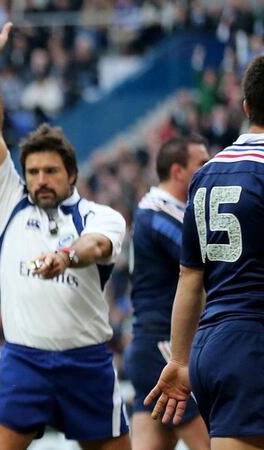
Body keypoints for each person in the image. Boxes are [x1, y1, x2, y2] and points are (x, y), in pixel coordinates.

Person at [0, 2, 129, 449]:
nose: (41, 179)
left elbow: (96, 246)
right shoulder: (9, 204)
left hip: (87, 364)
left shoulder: (99, 215)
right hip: (24, 363)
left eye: (51, 171)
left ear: (72, 175)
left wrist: (65, 256)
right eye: (34, 172)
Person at [146, 55, 264, 449]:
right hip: (254, 342)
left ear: (245, 107)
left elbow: (190, 277)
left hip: (210, 347)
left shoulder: (207, 173)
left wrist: (179, 360)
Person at [125, 136, 210, 450]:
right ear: (177, 171)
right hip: (164, 346)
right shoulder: (158, 213)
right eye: (202, 164)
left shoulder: (160, 211)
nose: (209, 170)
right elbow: (206, 258)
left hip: (149, 347)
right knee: (215, 443)